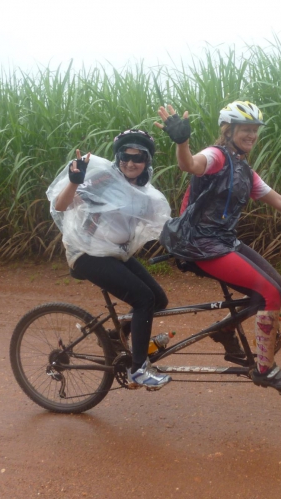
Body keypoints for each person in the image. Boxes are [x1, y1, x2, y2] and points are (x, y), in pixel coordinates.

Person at [155, 101, 281, 393]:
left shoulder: (244, 170)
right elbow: (190, 164)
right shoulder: (216, 156)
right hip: (200, 244)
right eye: (245, 130)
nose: (251, 135)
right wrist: (183, 142)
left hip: (223, 240)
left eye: (255, 130)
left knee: (276, 284)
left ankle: (226, 331)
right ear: (228, 130)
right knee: (268, 292)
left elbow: (278, 200)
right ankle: (265, 369)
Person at [46, 129, 172, 390]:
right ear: (117, 157)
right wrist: (74, 181)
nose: (130, 163)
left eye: (138, 158)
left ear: (147, 161)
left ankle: (116, 336)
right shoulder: (102, 178)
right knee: (143, 298)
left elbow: (160, 226)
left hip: (114, 254)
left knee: (158, 299)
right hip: (87, 254)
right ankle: (138, 369)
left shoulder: (146, 194)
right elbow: (60, 205)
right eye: (124, 156)